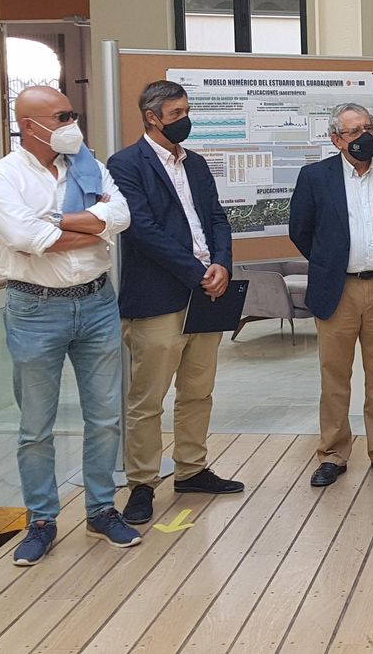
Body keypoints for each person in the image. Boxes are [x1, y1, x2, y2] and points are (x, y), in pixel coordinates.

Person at [0, 85, 140, 565]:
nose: (72, 123)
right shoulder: (0, 176)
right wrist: (90, 226)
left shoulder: (88, 166)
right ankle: (42, 520)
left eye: (72, 113)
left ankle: (101, 510)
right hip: (34, 310)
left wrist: (57, 223)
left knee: (106, 416)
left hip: (96, 303)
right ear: (30, 126)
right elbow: (26, 237)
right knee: (36, 425)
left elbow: (122, 216)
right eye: (62, 115)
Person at [108, 80, 244, 527]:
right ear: (152, 116)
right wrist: (197, 271)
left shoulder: (198, 164)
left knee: (198, 390)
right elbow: (141, 229)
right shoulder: (126, 164)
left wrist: (221, 263)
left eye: (187, 110)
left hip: (207, 293)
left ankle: (191, 469)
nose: (186, 119)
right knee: (148, 399)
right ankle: (142, 483)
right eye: (177, 112)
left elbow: (218, 219)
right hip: (159, 297)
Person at [288, 103, 373, 488]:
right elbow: (301, 230)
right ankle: (333, 454)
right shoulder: (314, 177)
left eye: (368, 127)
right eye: (354, 131)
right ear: (336, 139)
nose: (364, 136)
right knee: (335, 376)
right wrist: (330, 261)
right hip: (337, 289)